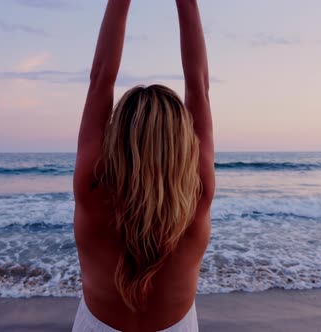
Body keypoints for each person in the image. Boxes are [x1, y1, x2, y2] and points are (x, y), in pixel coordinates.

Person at [73, 0, 214, 330]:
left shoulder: (92, 185)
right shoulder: (198, 189)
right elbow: (199, 85)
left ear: (117, 133)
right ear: (183, 140)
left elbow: (100, 79)